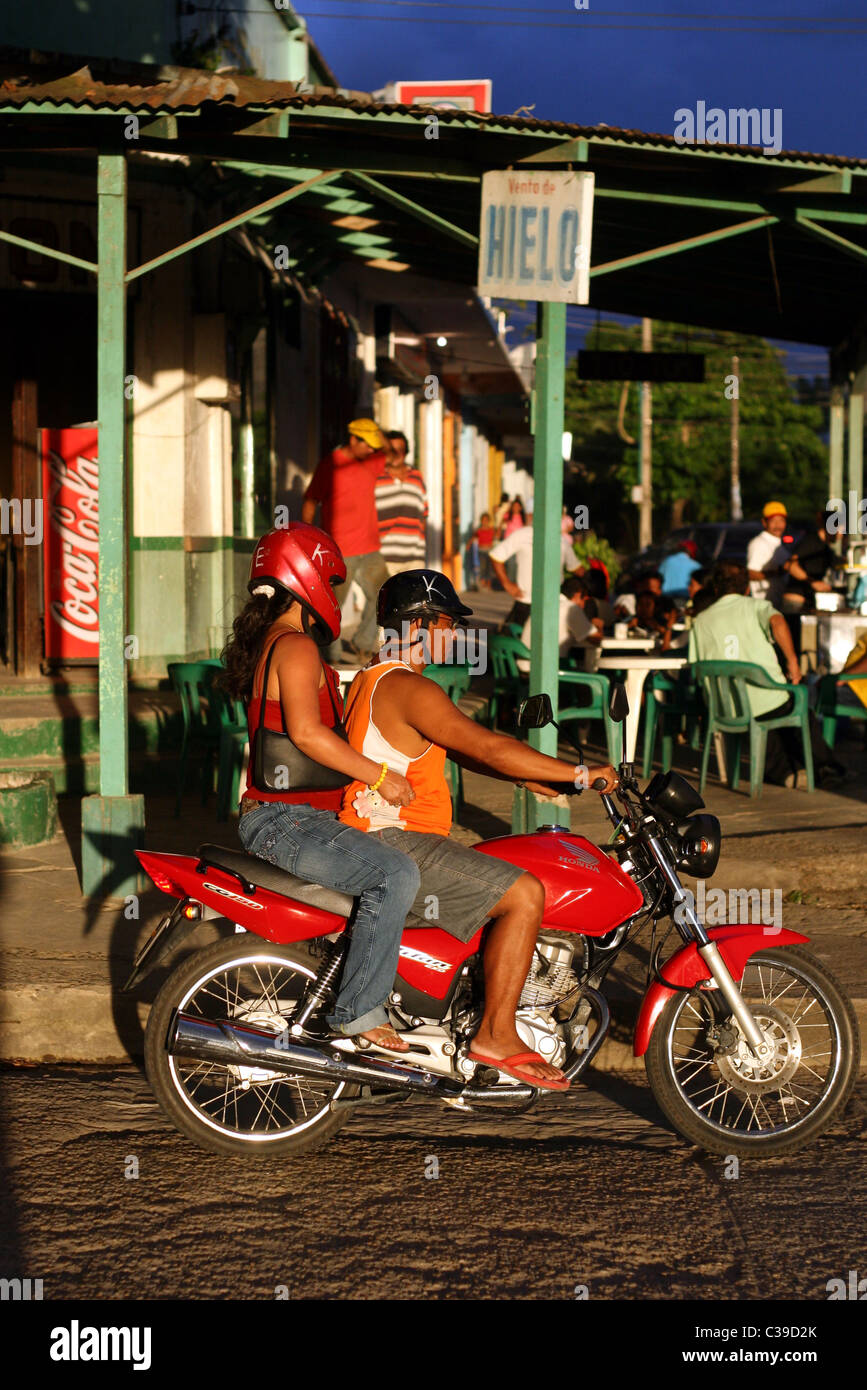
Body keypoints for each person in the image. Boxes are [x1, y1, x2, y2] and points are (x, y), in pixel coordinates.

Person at [339, 569, 619, 1090]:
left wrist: (528, 778)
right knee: (524, 894)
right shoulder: (406, 686)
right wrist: (580, 771)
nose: (452, 635)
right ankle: (496, 1033)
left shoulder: (376, 679)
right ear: (418, 624)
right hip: (394, 839)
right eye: (446, 623)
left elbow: (465, 753)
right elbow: (486, 744)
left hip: (382, 839)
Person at [221, 524, 422, 1052]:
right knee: (397, 873)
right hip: (285, 822)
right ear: (305, 578)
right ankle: (358, 1012)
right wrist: (379, 776)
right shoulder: (296, 648)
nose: (332, 597)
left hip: (292, 817)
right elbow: (308, 734)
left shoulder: (277, 643)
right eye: (330, 585)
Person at [688, 562, 845, 786]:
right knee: (797, 709)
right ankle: (825, 767)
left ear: (715, 590)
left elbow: (696, 668)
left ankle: (787, 772)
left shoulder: (701, 620)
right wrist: (792, 661)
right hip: (766, 701)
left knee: (769, 716)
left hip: (724, 708)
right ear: (746, 588)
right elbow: (778, 621)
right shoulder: (755, 606)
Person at [302, 418, 389, 664]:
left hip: (371, 548)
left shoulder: (371, 461)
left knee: (385, 596)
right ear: (353, 439)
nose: (373, 450)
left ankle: (363, 643)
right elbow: (310, 501)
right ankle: (329, 658)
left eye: (374, 446)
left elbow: (390, 451)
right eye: (367, 444)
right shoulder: (330, 465)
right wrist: (308, 540)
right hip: (340, 551)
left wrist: (374, 428)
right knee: (331, 606)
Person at [489, 499, 582, 629]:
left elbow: (577, 569)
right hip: (526, 603)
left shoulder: (562, 541)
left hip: (554, 606)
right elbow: (496, 556)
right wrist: (507, 584)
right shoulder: (523, 535)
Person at [518, 575, 602, 673]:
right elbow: (596, 639)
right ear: (578, 594)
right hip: (545, 671)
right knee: (593, 677)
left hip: (523, 667)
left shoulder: (545, 603)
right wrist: (599, 625)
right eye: (584, 600)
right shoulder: (571, 608)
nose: (583, 605)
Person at [374, 430, 429, 577]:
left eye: (401, 450)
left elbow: (424, 515)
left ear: (406, 452)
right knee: (384, 599)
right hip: (385, 556)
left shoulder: (417, 477)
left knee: (414, 600)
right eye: (393, 450)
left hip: (415, 557)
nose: (397, 454)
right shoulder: (376, 477)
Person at [785, 509, 836, 611]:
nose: (841, 535)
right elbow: (789, 565)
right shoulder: (811, 541)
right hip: (796, 600)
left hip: (808, 601)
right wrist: (812, 582)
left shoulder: (826, 548)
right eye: (839, 529)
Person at [747, 500, 791, 608]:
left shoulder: (779, 544)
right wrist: (778, 572)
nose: (778, 525)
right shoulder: (759, 543)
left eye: (781, 521)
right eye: (773, 521)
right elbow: (750, 573)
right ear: (764, 522)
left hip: (777, 604)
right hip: (763, 606)